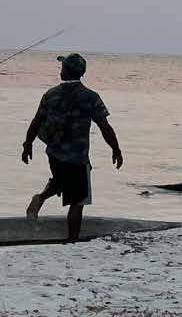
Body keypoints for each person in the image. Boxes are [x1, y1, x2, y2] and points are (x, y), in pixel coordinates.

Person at [21, 53, 123, 242]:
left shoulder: (50, 94)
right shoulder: (91, 97)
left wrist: (27, 145)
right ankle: (72, 241)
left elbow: (36, 122)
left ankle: (40, 198)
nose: (60, 70)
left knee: (60, 180)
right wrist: (116, 149)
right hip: (78, 157)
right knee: (77, 201)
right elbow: (105, 127)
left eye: (62, 67)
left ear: (66, 71)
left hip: (54, 154)